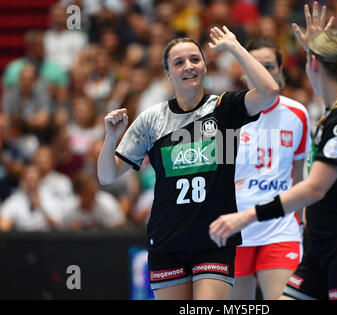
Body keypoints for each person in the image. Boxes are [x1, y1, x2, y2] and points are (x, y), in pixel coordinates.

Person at [209, 2, 337, 300]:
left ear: (313, 65)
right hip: (323, 248)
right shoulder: (335, 112)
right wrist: (315, 50)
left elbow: (313, 189)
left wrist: (246, 216)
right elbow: (330, 93)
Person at [97, 26, 280, 300]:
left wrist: (234, 47)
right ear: (168, 74)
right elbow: (107, 175)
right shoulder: (152, 119)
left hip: (214, 240)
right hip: (167, 241)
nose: (188, 66)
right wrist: (111, 137)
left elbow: (269, 92)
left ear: (205, 67)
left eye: (195, 59)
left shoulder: (225, 107)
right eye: (178, 62)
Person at [232, 39, 311, 300]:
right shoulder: (226, 114)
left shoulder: (297, 113)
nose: (263, 72)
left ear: (280, 72)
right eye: (255, 65)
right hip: (235, 230)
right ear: (244, 70)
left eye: (269, 66)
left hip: (280, 228)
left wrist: (303, 220)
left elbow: (301, 178)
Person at [0, 164, 62, 232]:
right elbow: (3, 227)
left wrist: (42, 207)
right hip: (21, 239)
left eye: (33, 179)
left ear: (40, 180)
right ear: (22, 180)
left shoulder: (50, 198)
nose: (30, 183)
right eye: (28, 179)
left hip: (46, 239)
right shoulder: (14, 200)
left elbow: (57, 226)